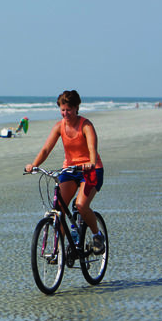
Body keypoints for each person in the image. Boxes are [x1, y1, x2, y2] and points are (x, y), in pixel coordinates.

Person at [25, 90, 105, 254]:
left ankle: (97, 235)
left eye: (68, 109)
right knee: (59, 209)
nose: (65, 113)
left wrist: (90, 162)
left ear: (76, 108)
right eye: (62, 109)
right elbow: (46, 149)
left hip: (90, 170)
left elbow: (92, 148)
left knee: (81, 205)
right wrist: (34, 165)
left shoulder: (86, 126)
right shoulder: (59, 126)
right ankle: (59, 250)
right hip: (69, 170)